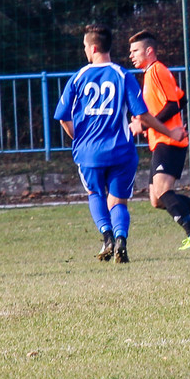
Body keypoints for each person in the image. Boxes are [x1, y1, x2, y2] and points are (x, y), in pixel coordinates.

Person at [53, 26, 149, 263]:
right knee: (118, 201)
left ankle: (107, 238)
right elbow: (140, 112)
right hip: (120, 150)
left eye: (85, 47)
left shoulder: (78, 77)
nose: (85, 51)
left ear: (93, 48)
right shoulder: (123, 74)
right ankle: (121, 239)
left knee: (95, 193)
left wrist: (78, 138)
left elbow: (63, 117)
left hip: (89, 153)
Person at [126, 30, 190, 249]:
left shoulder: (156, 71)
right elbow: (181, 99)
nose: (131, 55)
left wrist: (145, 124)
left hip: (169, 142)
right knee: (157, 199)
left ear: (149, 51)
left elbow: (172, 105)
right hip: (161, 141)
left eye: (135, 51)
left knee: (163, 191)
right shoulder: (151, 73)